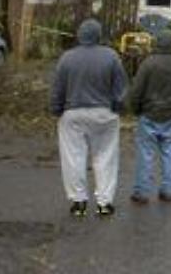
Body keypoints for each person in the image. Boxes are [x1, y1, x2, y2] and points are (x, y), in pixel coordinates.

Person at [49, 18, 127, 218]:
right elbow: (120, 89)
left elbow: (58, 89)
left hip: (73, 112)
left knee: (73, 157)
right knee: (105, 157)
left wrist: (56, 110)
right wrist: (118, 108)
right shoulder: (111, 57)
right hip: (104, 113)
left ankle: (78, 201)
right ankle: (104, 202)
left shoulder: (67, 58)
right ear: (99, 35)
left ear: (79, 36)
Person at [126, 28, 171, 204]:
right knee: (170, 154)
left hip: (149, 114)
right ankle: (168, 190)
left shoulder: (148, 63)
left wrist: (135, 109)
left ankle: (141, 192)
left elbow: (136, 91)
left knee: (146, 154)